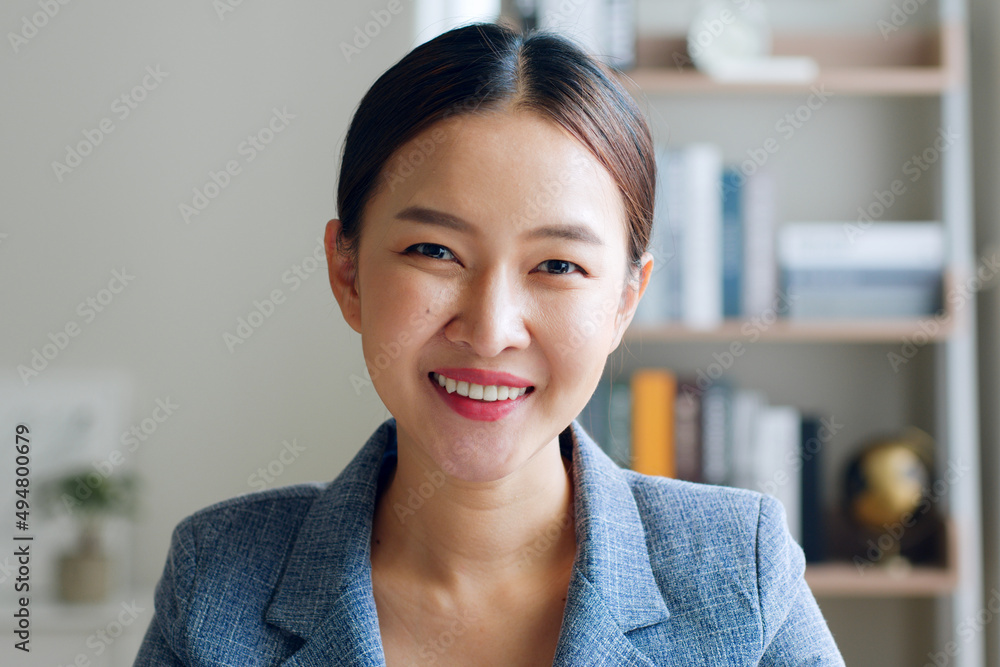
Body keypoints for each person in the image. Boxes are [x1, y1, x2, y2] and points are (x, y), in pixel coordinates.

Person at [134, 21, 845, 666]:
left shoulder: (739, 574)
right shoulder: (217, 579)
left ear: (625, 300)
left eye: (558, 265)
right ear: (347, 272)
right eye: (435, 251)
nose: (490, 328)